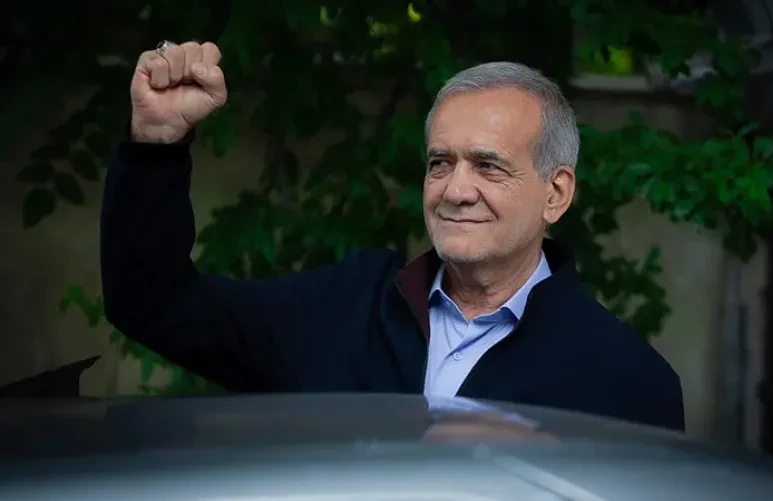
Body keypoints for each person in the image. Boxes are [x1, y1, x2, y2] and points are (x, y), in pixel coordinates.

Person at [101, 40, 685, 431]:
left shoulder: (626, 381)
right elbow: (154, 303)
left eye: (488, 166)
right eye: (440, 163)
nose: (455, 190)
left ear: (555, 193)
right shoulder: (343, 310)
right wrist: (155, 144)